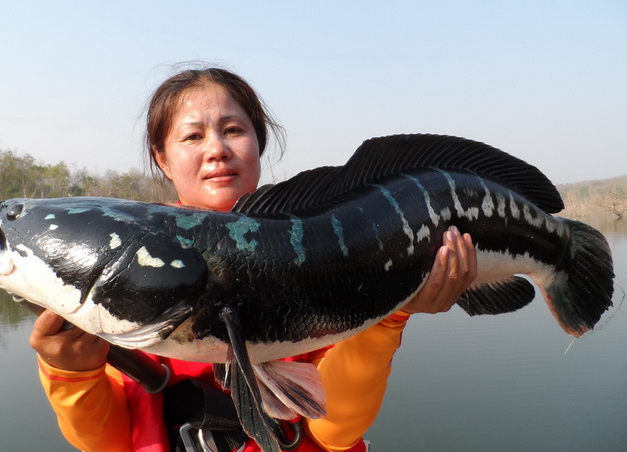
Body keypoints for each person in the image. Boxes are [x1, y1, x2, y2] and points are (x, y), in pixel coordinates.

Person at [30, 67, 477, 452]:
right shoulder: (124, 270)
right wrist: (72, 374)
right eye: (192, 135)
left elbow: (333, 432)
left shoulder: (318, 250)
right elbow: (112, 441)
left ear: (258, 143)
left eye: (233, 130)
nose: (216, 149)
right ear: (161, 158)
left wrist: (390, 314)